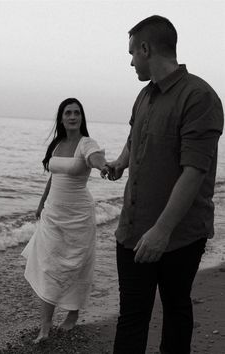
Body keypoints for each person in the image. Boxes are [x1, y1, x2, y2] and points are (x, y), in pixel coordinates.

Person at [102, 15, 224, 354]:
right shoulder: (144, 95)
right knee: (132, 317)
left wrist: (162, 231)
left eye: (132, 53)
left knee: (175, 311)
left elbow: (195, 170)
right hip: (131, 229)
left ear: (146, 48)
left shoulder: (199, 96)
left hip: (179, 235)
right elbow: (134, 135)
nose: (130, 61)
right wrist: (120, 162)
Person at [22, 97, 107, 343]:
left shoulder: (86, 143)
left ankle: (72, 312)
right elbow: (54, 176)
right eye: (68, 112)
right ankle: (45, 326)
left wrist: (103, 166)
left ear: (82, 117)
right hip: (52, 215)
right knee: (49, 266)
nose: (72, 117)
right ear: (61, 117)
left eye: (76, 113)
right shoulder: (57, 143)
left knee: (76, 266)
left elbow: (95, 157)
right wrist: (41, 202)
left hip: (78, 216)